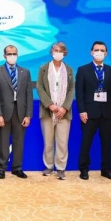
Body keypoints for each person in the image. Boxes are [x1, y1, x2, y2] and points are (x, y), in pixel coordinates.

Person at [76, 41, 111, 181]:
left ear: (106, 53)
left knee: (107, 143)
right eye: (96, 50)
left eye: (102, 50)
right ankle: (84, 169)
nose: (99, 52)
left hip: (107, 113)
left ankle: (106, 170)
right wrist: (82, 111)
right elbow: (79, 93)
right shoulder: (83, 70)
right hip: (89, 112)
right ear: (91, 52)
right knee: (86, 142)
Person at [0, 45, 33, 179]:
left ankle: (17, 168)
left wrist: (28, 115)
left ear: (17, 55)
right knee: (3, 141)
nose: (12, 56)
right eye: (9, 54)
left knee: (19, 141)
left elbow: (29, 95)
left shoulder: (25, 72)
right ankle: (1, 168)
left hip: (20, 112)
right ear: (4, 56)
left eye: (14, 54)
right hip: (4, 112)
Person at [36, 42, 75, 181]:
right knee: (48, 142)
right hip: (48, 111)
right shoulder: (43, 68)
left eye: (60, 51)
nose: (57, 52)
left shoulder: (69, 69)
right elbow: (39, 87)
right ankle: (48, 166)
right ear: (51, 52)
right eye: (55, 50)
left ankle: (61, 168)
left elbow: (71, 89)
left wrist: (64, 107)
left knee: (62, 142)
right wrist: (50, 105)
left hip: (64, 112)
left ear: (64, 53)